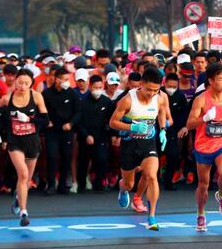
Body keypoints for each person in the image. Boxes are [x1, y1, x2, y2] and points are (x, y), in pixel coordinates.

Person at [109, 67, 168, 231]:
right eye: (149, 89)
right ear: (141, 84)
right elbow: (113, 122)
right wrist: (133, 126)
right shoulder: (128, 100)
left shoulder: (159, 98)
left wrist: (163, 129)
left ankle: (152, 216)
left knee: (151, 176)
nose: (151, 93)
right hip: (129, 144)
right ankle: (123, 187)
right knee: (129, 184)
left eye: (156, 90)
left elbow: (162, 111)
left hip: (148, 144)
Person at [186, 62, 222, 232]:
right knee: (203, 184)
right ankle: (201, 213)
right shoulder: (201, 99)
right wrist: (203, 119)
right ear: (210, 81)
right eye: (220, 79)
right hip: (203, 145)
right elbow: (189, 124)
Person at [0, 70, 49, 226]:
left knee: (27, 179)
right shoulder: (8, 98)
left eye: (26, 83)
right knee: (22, 173)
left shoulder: (36, 97)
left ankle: (18, 197)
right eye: (20, 82)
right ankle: (24, 212)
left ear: (31, 84)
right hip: (15, 141)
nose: (23, 86)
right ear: (15, 82)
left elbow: (45, 120)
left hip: (32, 140)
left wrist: (29, 119)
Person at [41, 67, 81, 194]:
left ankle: (63, 184)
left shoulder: (72, 93)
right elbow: (41, 110)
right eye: (64, 79)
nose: (67, 82)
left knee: (66, 157)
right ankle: (51, 184)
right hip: (52, 131)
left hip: (67, 131)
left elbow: (78, 111)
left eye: (68, 79)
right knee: (52, 157)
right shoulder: (46, 94)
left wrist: (71, 123)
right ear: (56, 79)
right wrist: (47, 121)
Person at [76, 75, 113, 192]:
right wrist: (86, 135)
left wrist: (113, 135)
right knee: (84, 160)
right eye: (95, 87)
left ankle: (99, 182)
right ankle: (81, 183)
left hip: (101, 135)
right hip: (86, 136)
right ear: (90, 86)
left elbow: (111, 120)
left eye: (100, 87)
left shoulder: (107, 102)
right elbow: (79, 121)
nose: (98, 90)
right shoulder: (82, 102)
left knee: (102, 158)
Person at [162, 73, 190, 190]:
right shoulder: (158, 94)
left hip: (173, 131)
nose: (171, 89)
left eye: (174, 86)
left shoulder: (180, 96)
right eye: (169, 86)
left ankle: (168, 181)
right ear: (164, 84)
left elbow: (185, 113)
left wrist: (184, 127)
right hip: (156, 129)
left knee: (173, 155)